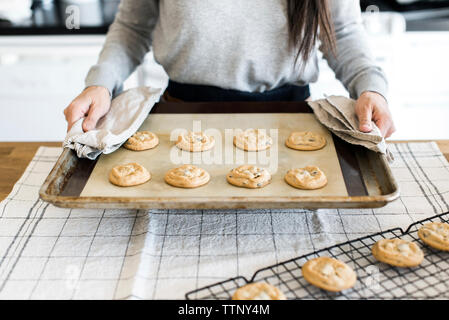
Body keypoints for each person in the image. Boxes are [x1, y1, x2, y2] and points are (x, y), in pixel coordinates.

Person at [64, 0, 395, 138]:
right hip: (181, 116)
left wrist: (370, 86)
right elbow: (132, 28)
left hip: (291, 121)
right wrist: (102, 84)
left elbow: (344, 32)